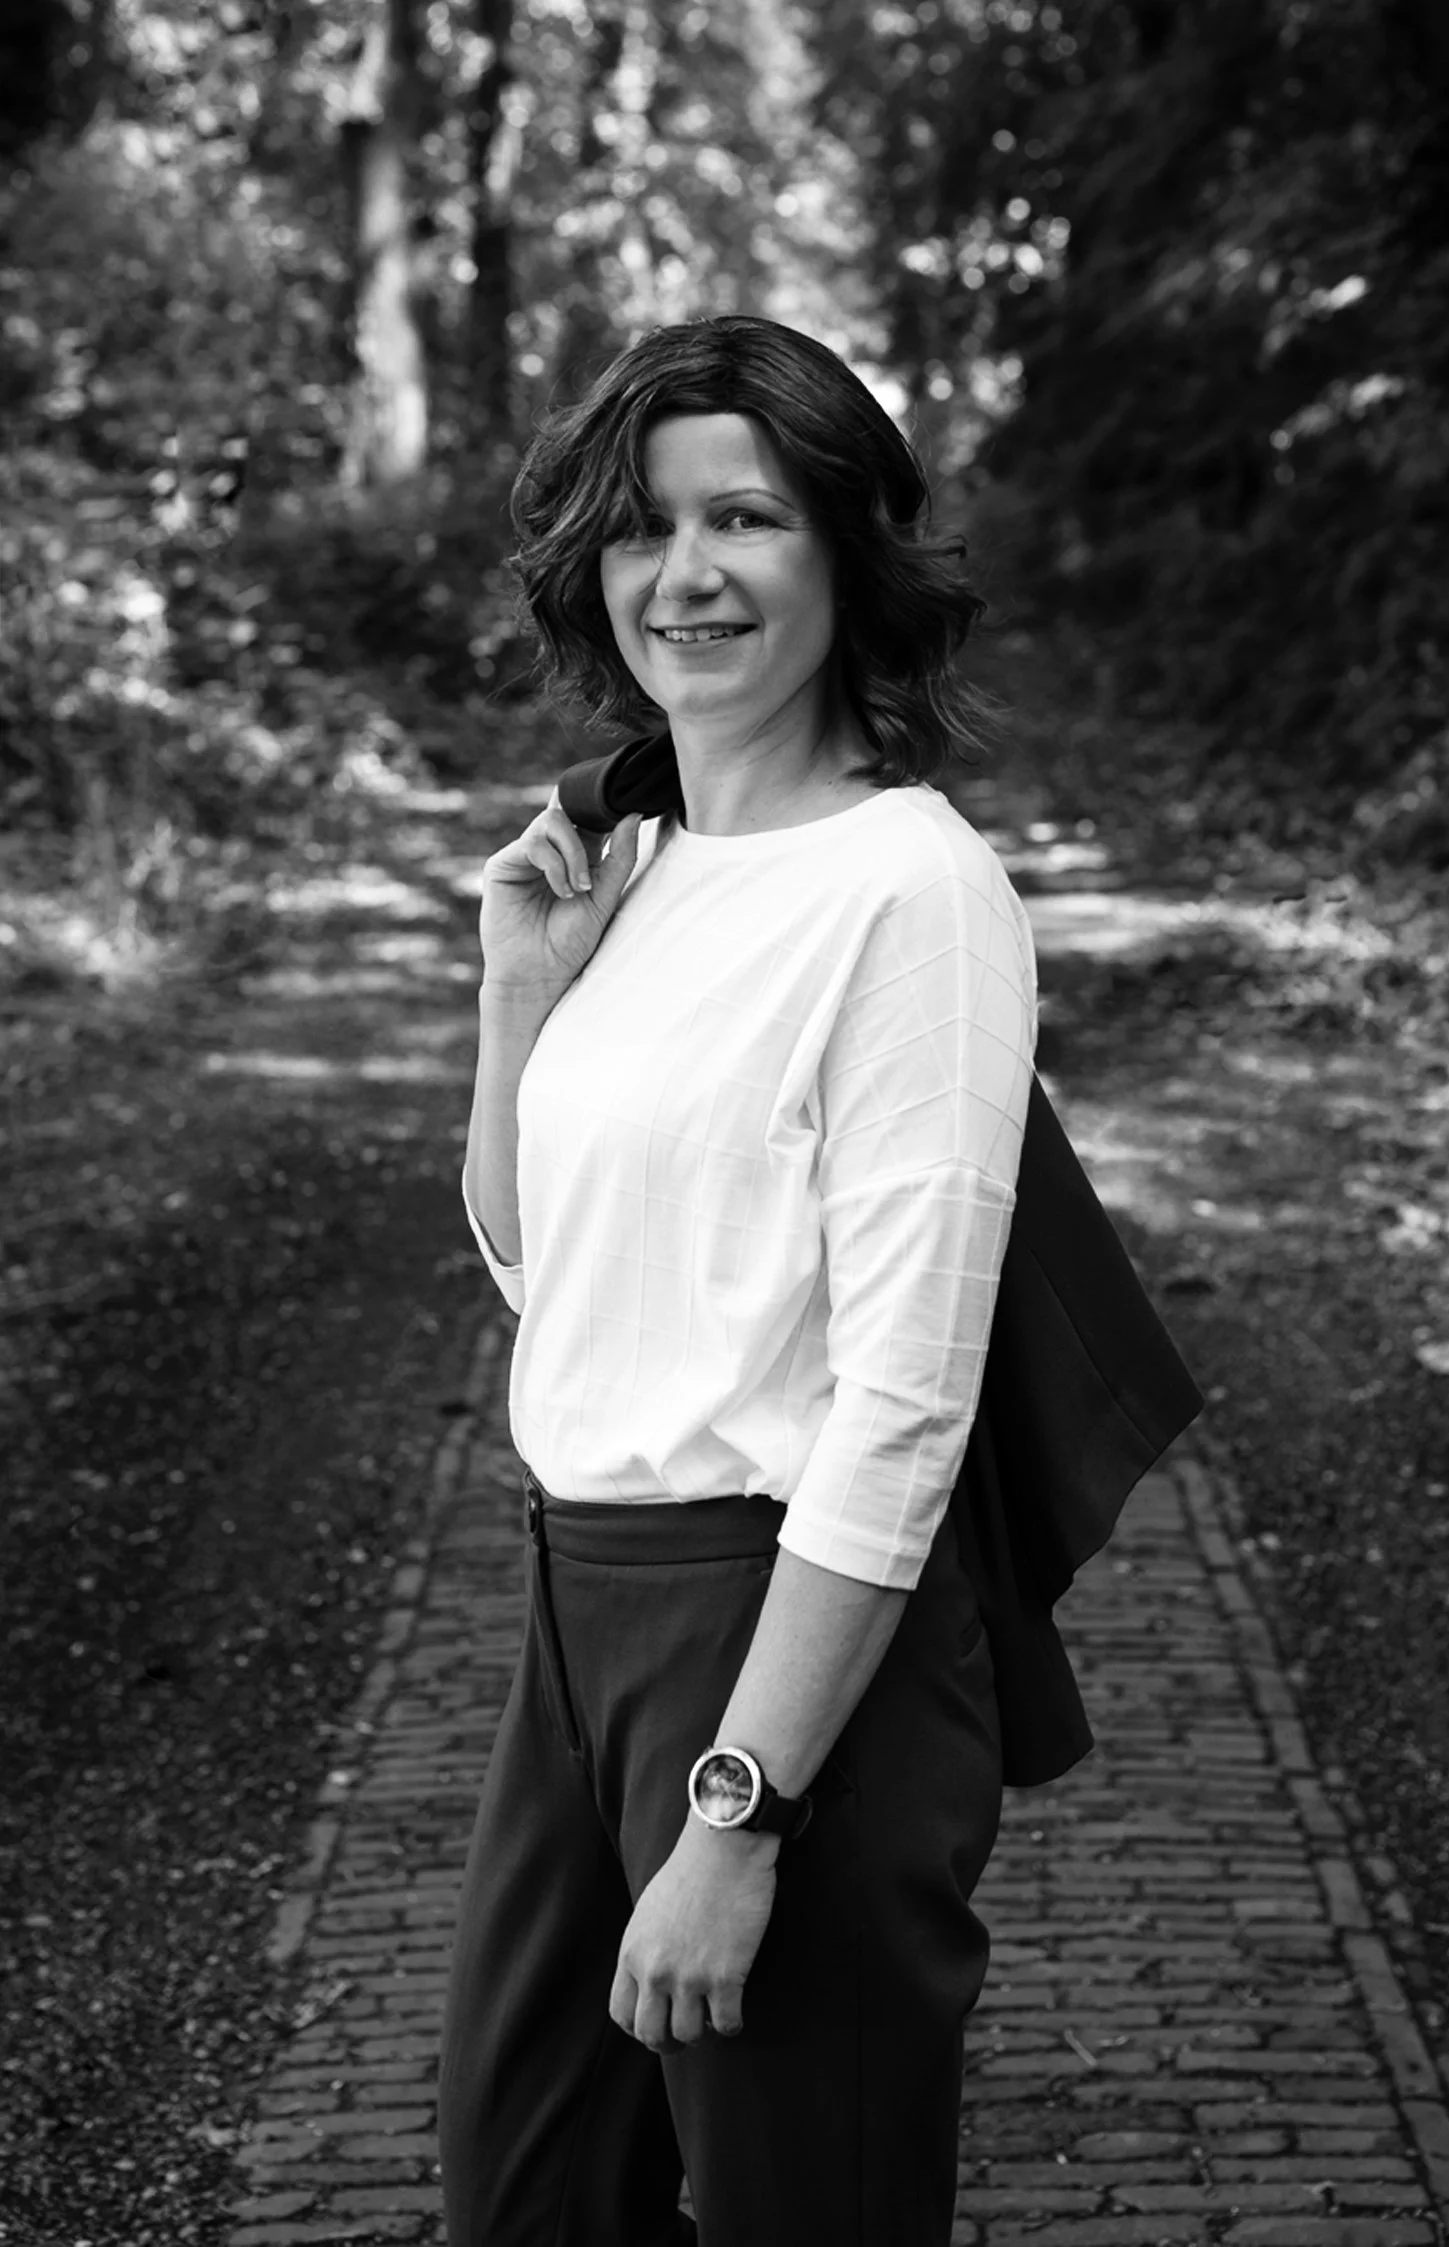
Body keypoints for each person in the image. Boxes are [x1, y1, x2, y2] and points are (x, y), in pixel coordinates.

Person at [439, 314, 1038, 2247]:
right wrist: (520, 997)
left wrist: (740, 1811)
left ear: (845, 554)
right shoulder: (643, 860)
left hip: (779, 1654)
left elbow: (905, 1403)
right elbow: (546, 1263)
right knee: (528, 2198)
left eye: (744, 518)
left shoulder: (913, 892)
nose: (681, 573)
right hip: (572, 1611)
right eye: (639, 527)